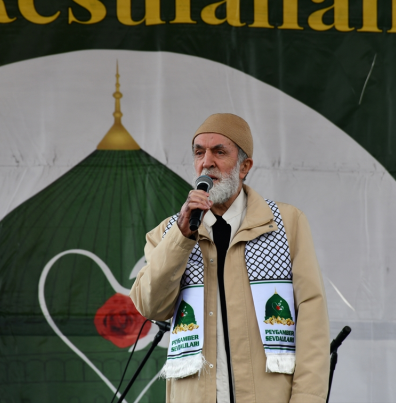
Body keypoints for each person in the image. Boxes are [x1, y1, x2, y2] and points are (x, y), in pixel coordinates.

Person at [130, 113, 330, 403]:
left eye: (219, 152)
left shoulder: (285, 224)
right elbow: (151, 306)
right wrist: (181, 237)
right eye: (199, 152)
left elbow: (312, 320)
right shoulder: (168, 232)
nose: (206, 162)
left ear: (244, 166)